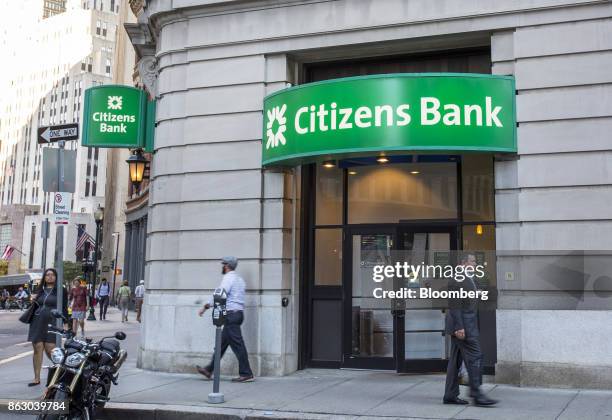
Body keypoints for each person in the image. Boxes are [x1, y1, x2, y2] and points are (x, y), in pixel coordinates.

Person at [443, 253, 497, 406]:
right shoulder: (457, 278)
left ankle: (450, 395)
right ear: (464, 262)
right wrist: (459, 327)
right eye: (473, 261)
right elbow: (455, 304)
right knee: (476, 356)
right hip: (463, 327)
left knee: (455, 362)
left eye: (475, 262)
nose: (475, 264)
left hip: (466, 324)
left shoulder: (469, 278)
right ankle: (476, 393)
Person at [196, 256, 254, 383]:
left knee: (238, 346)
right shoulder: (240, 280)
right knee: (221, 345)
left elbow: (220, 294)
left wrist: (205, 307)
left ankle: (246, 373)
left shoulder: (228, 278)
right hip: (237, 314)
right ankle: (209, 369)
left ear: (227, 266)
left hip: (231, 315)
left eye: (223, 264)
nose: (222, 266)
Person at [27, 268, 68, 387]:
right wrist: (33, 300)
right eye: (47, 275)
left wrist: (66, 322)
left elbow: (64, 307)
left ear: (56, 277)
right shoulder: (39, 289)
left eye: (52, 275)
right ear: (44, 277)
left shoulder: (61, 290)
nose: (50, 277)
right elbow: (35, 305)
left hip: (53, 322)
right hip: (37, 321)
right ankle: (36, 378)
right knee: (37, 348)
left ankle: (63, 372)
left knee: (51, 349)